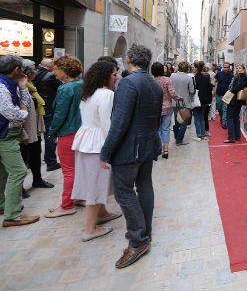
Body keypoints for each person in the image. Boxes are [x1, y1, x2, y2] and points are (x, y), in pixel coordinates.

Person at [100, 44, 163, 269]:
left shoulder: (128, 83)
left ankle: (138, 239)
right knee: (145, 187)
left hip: (130, 149)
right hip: (147, 146)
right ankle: (145, 231)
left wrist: (105, 152)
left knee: (124, 192)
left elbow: (119, 123)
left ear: (128, 59)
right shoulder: (154, 85)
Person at [0, 55, 39, 227]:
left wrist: (22, 88)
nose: (24, 71)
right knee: (19, 171)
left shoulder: (9, 84)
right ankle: (12, 215)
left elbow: (25, 104)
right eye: (21, 68)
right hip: (4, 134)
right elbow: (14, 114)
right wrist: (23, 112)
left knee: (2, 170)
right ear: (15, 70)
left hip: (7, 133)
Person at [71, 61, 122, 241]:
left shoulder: (88, 93)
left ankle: (102, 212)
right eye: (114, 74)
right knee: (94, 185)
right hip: (97, 143)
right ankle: (90, 229)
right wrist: (113, 146)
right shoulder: (107, 94)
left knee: (94, 182)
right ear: (105, 76)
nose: (116, 77)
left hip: (86, 141)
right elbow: (107, 124)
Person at [45, 55, 83, 218]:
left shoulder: (65, 88)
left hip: (68, 132)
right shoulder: (83, 85)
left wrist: (52, 131)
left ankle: (67, 205)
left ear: (65, 72)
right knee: (79, 168)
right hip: (81, 130)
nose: (54, 72)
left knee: (69, 170)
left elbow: (60, 114)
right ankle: (79, 197)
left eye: (57, 69)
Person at [19, 60, 54, 197]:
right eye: (33, 70)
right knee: (22, 157)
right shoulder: (20, 86)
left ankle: (37, 179)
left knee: (35, 153)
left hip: (34, 126)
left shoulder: (30, 85)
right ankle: (19, 187)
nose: (36, 72)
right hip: (25, 128)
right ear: (28, 73)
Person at [33, 58, 61, 171]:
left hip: (35, 109)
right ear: (51, 67)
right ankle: (51, 161)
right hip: (47, 109)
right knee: (50, 136)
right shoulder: (51, 76)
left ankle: (31, 161)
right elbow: (61, 86)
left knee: (35, 136)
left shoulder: (33, 73)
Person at [151, 61, 178, 159]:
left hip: (155, 108)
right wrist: (179, 98)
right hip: (167, 107)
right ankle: (165, 150)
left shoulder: (151, 80)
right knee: (165, 128)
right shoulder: (167, 80)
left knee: (156, 129)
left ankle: (157, 150)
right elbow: (172, 93)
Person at [170, 61, 195, 146]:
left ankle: (177, 137)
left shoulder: (172, 76)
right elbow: (192, 91)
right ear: (187, 68)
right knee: (184, 122)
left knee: (176, 121)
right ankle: (179, 140)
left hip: (174, 102)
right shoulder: (188, 78)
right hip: (185, 102)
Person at [224, 64, 247, 143]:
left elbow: (240, 86)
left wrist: (232, 90)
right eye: (237, 68)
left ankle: (231, 137)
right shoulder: (240, 76)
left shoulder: (241, 76)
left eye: (240, 68)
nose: (238, 69)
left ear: (243, 69)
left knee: (229, 117)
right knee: (235, 117)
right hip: (238, 100)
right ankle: (237, 136)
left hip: (235, 100)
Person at [191, 62, 211, 141]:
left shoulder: (194, 77)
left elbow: (192, 89)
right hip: (204, 100)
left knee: (196, 117)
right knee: (202, 117)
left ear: (196, 68)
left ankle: (198, 134)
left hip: (196, 99)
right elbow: (209, 89)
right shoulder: (206, 77)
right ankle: (203, 133)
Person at [214, 62, 233, 129]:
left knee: (225, 109)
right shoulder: (219, 74)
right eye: (225, 67)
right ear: (223, 67)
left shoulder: (231, 75)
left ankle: (224, 123)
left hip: (227, 95)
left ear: (229, 68)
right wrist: (213, 90)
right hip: (219, 94)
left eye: (227, 67)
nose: (226, 69)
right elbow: (215, 81)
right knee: (219, 108)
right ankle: (222, 117)